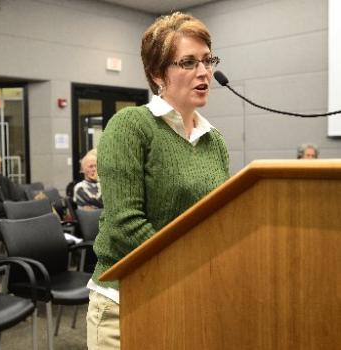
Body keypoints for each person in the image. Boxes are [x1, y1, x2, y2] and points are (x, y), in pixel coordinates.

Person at [86, 12, 230, 349]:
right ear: (156, 74)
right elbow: (125, 225)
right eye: (188, 62)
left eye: (208, 61)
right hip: (126, 301)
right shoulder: (131, 126)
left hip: (189, 296)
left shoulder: (215, 141)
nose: (204, 72)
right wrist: (190, 269)